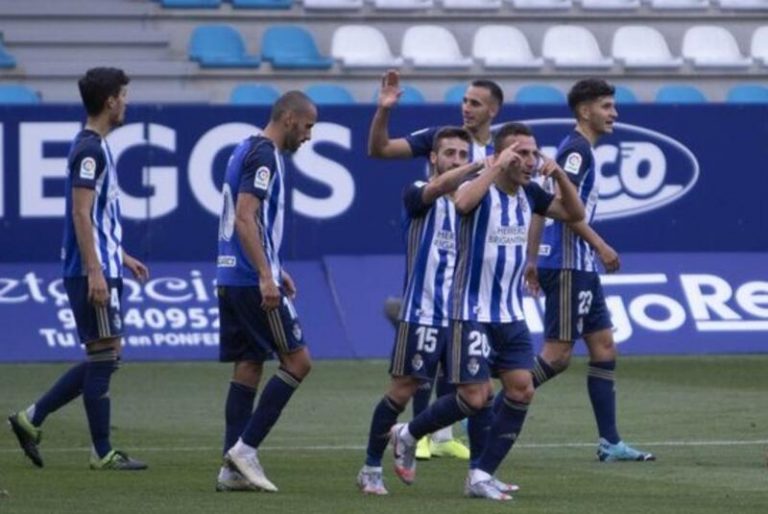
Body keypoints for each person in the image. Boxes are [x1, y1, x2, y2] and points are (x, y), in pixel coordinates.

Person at [389, 122, 585, 501]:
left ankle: (480, 474)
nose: (530, 161)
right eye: (521, 153)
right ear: (501, 155)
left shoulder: (529, 193)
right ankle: (409, 433)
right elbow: (461, 203)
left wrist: (558, 173)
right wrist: (493, 165)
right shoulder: (479, 190)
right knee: (476, 398)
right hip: (470, 311)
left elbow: (574, 213)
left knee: (522, 389)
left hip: (510, 313)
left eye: (533, 153)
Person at [8, 67, 149, 471]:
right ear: (110, 101)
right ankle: (102, 451)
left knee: (107, 354)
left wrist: (120, 255)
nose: (126, 102)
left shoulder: (95, 146)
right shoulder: (89, 150)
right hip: (92, 269)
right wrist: (96, 271)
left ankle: (30, 418)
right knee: (105, 357)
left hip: (104, 261)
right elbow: (80, 213)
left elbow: (97, 218)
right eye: (123, 95)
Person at [369, 69, 504, 460]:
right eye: (464, 100)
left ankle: (450, 441)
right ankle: (420, 433)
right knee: (423, 361)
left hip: (475, 278)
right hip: (434, 265)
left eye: (475, 103)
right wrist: (384, 111)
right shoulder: (443, 139)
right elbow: (380, 150)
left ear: (493, 111)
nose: (466, 108)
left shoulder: (499, 151)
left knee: (470, 372)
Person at [525, 78, 655, 462]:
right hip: (568, 265)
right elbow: (564, 211)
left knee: (604, 347)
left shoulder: (580, 150)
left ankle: (609, 443)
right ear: (585, 111)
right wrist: (599, 245)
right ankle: (483, 403)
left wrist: (532, 258)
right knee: (558, 355)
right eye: (606, 106)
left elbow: (540, 204)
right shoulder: (576, 152)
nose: (614, 113)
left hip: (577, 265)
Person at [357, 127, 491, 495]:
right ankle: (370, 468)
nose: (457, 160)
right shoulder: (418, 191)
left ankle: (476, 472)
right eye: (450, 153)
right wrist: (479, 167)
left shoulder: (473, 201)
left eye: (464, 155)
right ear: (433, 158)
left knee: (479, 393)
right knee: (404, 389)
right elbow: (434, 190)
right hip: (423, 312)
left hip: (463, 314)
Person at [215, 91, 317, 493]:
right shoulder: (265, 155)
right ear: (290, 118)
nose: (308, 137)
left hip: (230, 276)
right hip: (249, 279)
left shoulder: (243, 146)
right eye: (308, 126)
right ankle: (246, 449)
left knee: (249, 363)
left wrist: (276, 267)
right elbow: (245, 216)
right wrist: (265, 274)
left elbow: (246, 221)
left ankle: (230, 469)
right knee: (298, 362)